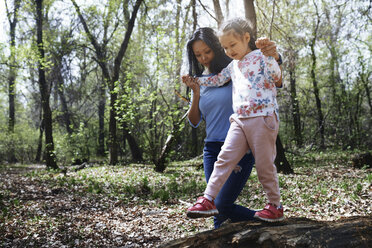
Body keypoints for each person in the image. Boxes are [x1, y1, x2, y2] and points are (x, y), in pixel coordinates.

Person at [184, 17, 284, 222]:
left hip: (263, 118)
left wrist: (272, 56)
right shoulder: (233, 66)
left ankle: (275, 205)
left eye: (232, 45)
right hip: (239, 120)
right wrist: (196, 81)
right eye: (225, 47)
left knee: (265, 165)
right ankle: (207, 199)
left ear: (246, 38)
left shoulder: (261, 56)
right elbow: (217, 79)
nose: (229, 51)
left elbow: (276, 77)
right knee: (224, 159)